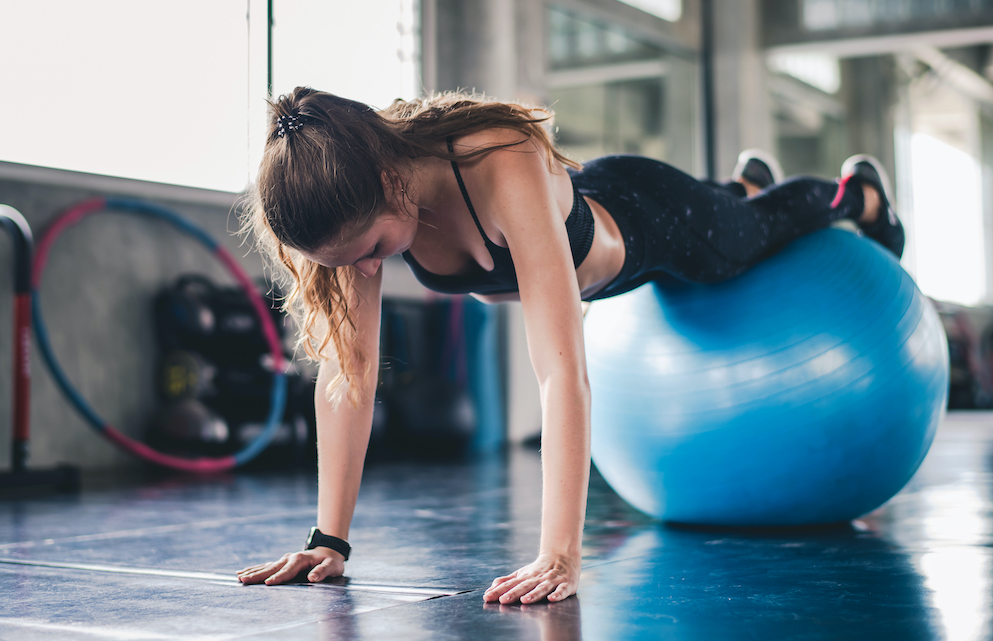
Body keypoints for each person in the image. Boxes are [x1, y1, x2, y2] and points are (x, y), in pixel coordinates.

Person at [235, 87, 904, 604]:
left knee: (750, 241)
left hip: (652, 223)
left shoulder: (497, 161)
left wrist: (559, 553)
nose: (368, 270)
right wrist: (330, 540)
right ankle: (742, 187)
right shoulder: (357, 210)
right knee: (741, 214)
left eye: (374, 250)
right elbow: (347, 372)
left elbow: (560, 370)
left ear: (390, 182)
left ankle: (857, 196)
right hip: (602, 210)